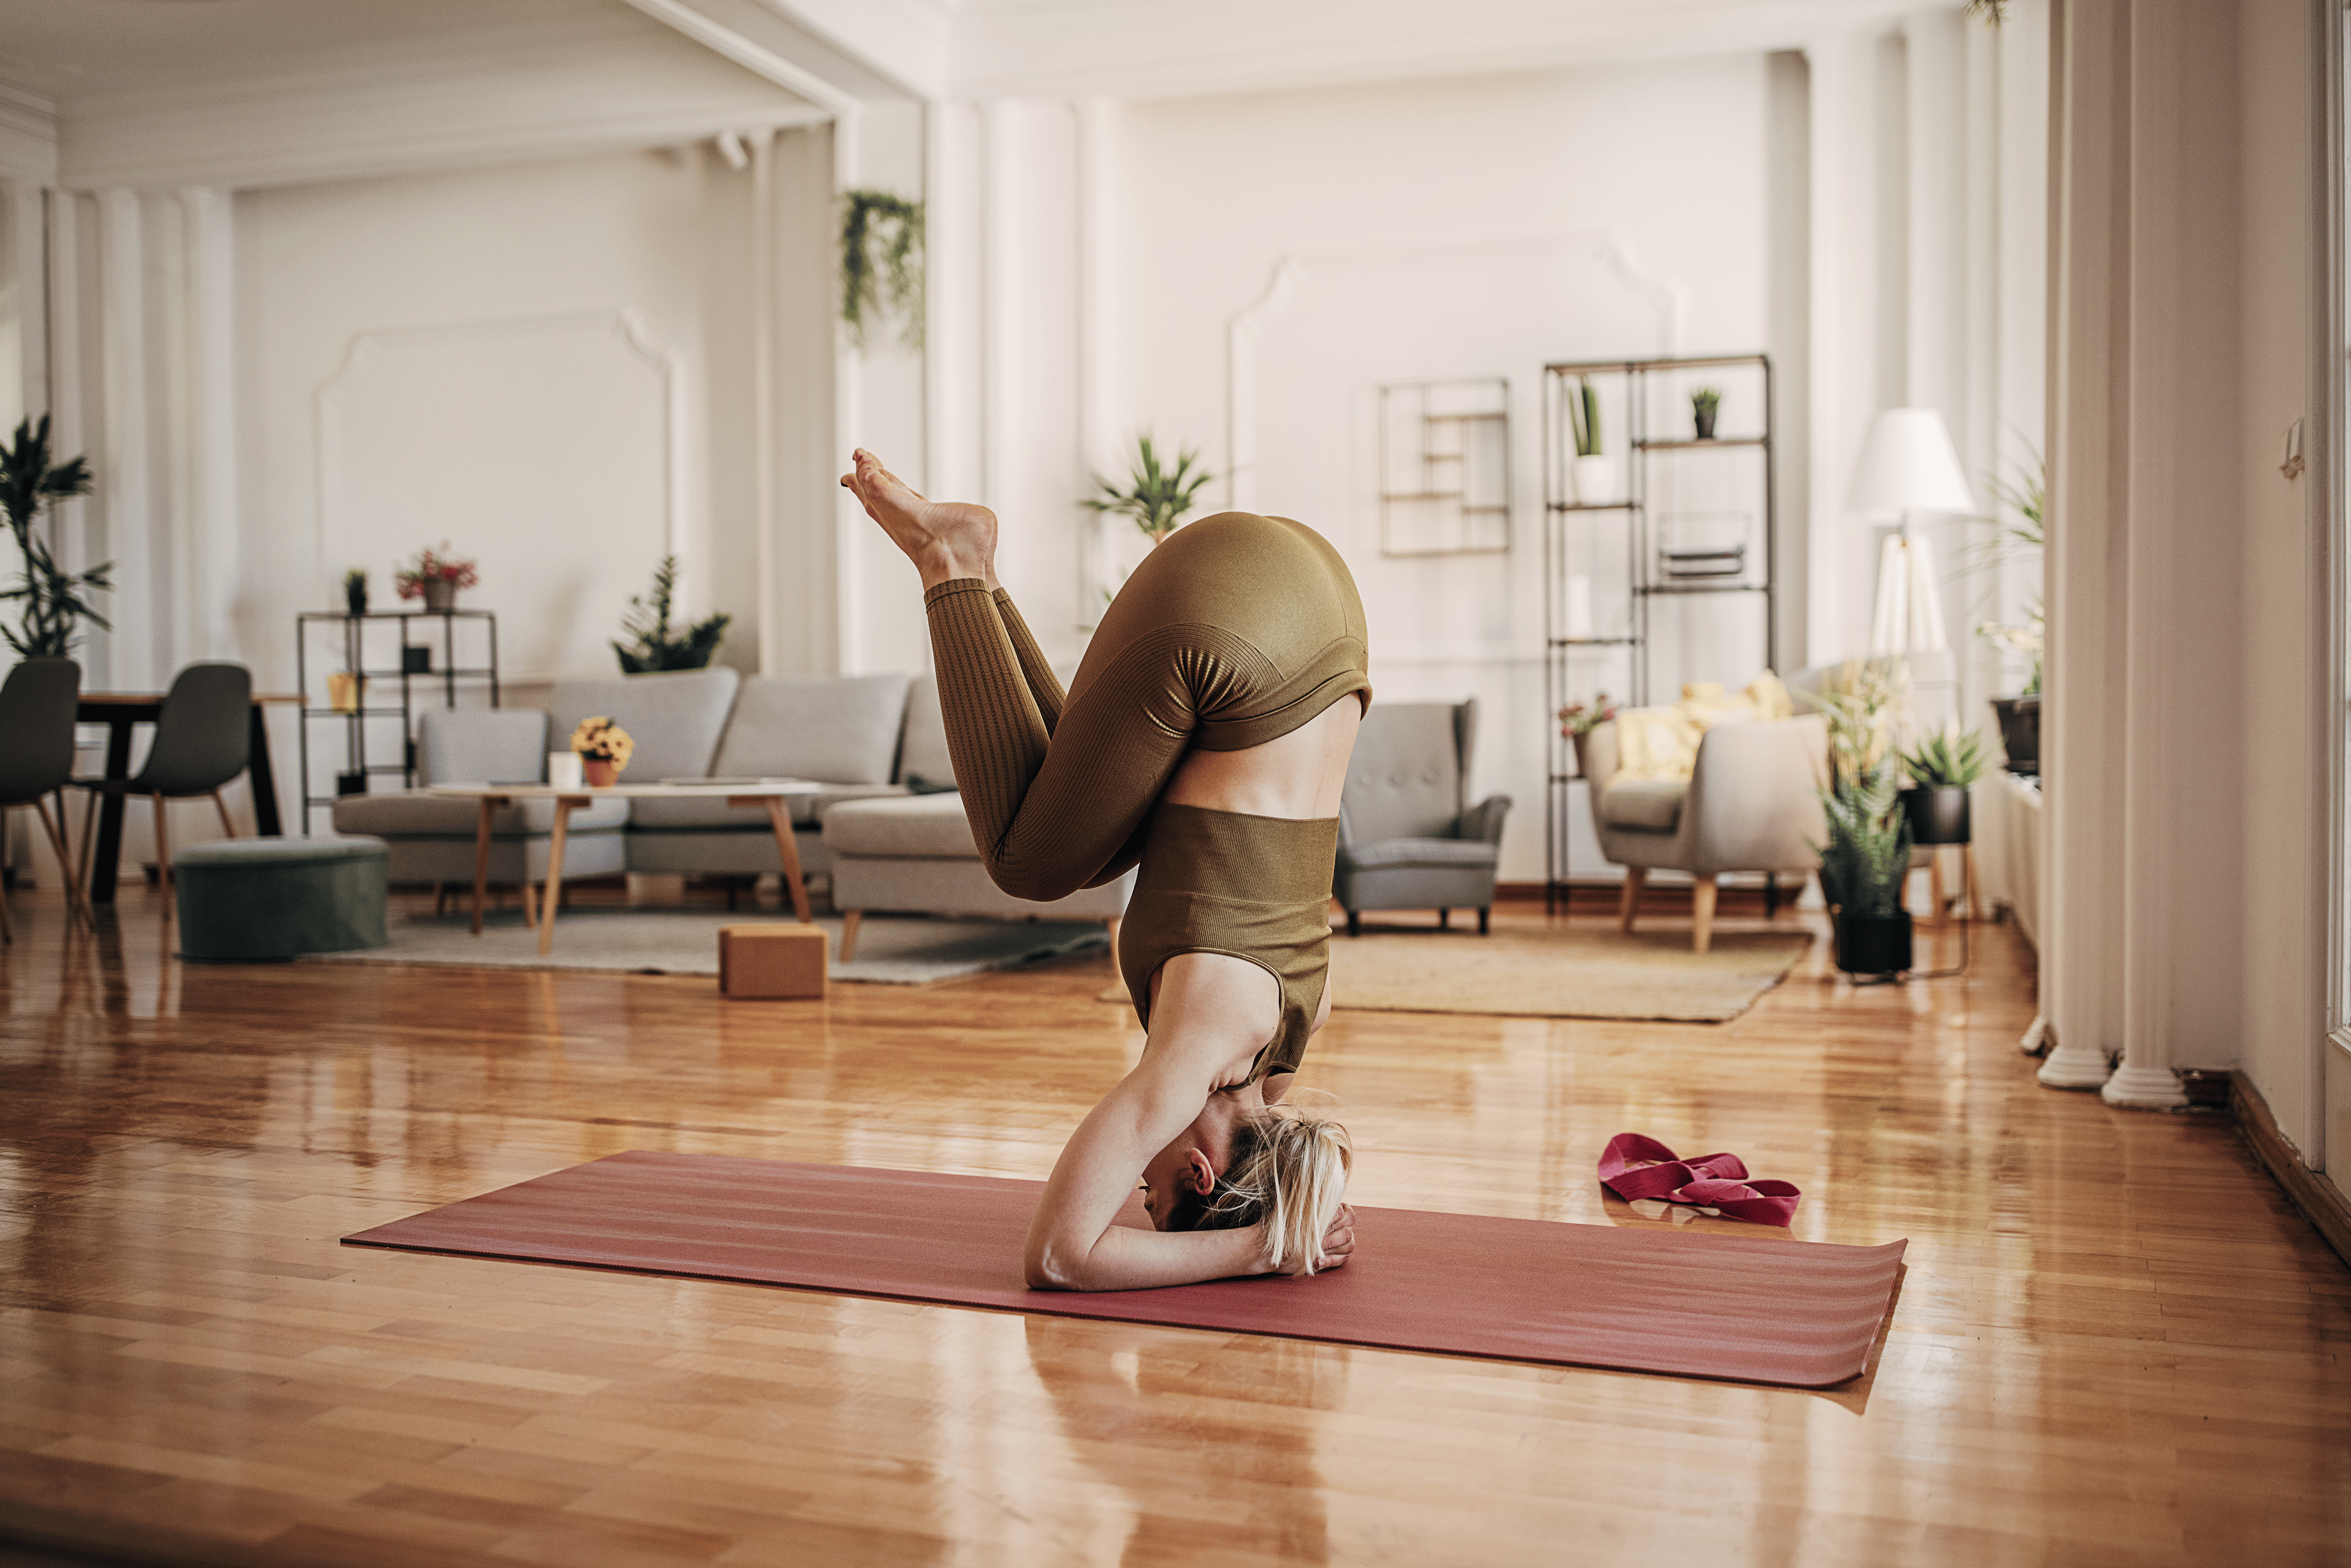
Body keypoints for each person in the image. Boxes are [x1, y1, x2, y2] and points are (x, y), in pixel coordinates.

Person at [840, 449, 1367, 1291]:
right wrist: (1255, 1249)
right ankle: (951, 561)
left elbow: (1291, 1154)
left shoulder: (1286, 1039)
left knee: (1079, 846)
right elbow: (1059, 1256)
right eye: (1150, 1199)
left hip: (1321, 612)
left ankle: (969, 568)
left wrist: (1295, 1214)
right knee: (1024, 863)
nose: (1133, 1187)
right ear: (1197, 1173)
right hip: (1237, 613)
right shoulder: (1199, 1053)